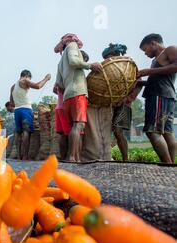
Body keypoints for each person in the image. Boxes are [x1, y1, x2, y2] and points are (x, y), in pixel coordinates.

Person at [54, 33, 103, 162]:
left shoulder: (60, 62)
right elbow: (74, 61)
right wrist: (90, 65)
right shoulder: (72, 45)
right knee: (79, 124)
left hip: (67, 96)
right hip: (78, 92)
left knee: (73, 127)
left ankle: (74, 157)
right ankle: (72, 157)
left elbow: (59, 83)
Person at [137, 34, 177, 164]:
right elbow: (158, 78)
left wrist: (148, 71)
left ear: (153, 43)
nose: (145, 53)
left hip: (160, 96)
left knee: (152, 131)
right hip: (160, 95)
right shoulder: (155, 60)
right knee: (166, 132)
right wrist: (140, 82)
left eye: (145, 49)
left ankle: (168, 164)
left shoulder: (170, 49)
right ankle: (171, 165)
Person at [102, 43, 145, 161]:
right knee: (106, 131)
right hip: (110, 105)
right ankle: (106, 156)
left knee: (118, 131)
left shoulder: (128, 66)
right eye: (106, 59)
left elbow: (139, 83)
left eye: (109, 57)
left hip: (124, 105)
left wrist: (130, 98)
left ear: (115, 55)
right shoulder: (109, 68)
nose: (107, 60)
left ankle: (125, 159)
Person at [54, 50, 90, 160]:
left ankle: (68, 157)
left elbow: (56, 87)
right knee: (78, 125)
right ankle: (73, 156)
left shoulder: (63, 69)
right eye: (84, 60)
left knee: (65, 133)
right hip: (77, 95)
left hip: (63, 103)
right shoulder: (74, 68)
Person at [10, 70, 51, 160]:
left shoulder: (13, 87)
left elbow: (11, 103)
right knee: (26, 132)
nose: (29, 80)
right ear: (26, 76)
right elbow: (38, 86)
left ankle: (19, 155)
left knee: (19, 132)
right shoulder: (25, 80)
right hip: (26, 109)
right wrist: (46, 78)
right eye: (30, 78)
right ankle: (25, 156)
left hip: (17, 111)